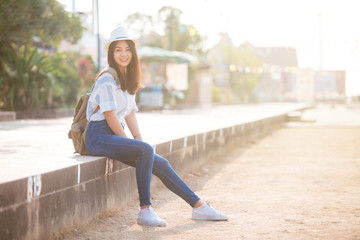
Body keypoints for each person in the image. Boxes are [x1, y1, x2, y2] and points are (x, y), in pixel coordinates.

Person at [85, 26, 228, 227]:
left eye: (127, 49)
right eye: (118, 50)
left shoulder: (127, 79)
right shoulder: (107, 78)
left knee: (160, 162)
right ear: (111, 53)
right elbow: (109, 116)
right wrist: (137, 146)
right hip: (97, 136)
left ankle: (199, 206)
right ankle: (145, 210)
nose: (123, 54)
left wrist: (139, 141)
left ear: (133, 52)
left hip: (113, 134)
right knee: (146, 151)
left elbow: (130, 113)